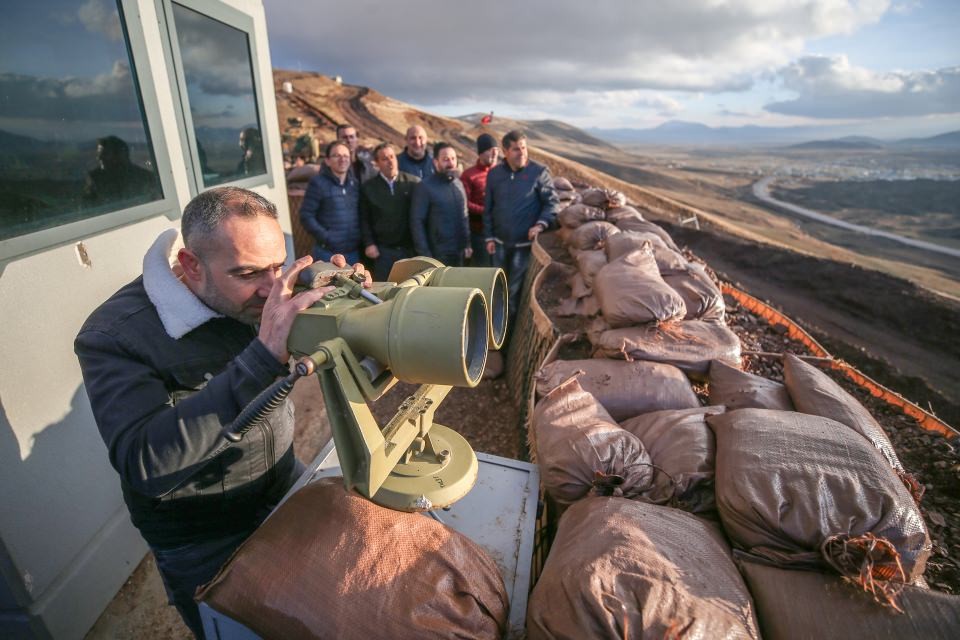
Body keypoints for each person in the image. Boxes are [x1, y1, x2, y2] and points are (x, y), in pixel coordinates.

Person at [74, 186, 367, 637]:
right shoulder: (113, 336)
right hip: (203, 535)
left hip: (280, 481)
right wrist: (262, 357)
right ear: (191, 266)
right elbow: (145, 462)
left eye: (277, 266)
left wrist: (348, 307)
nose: (271, 290)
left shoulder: (257, 291)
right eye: (249, 273)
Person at [483, 130, 558, 328]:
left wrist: (541, 224)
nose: (522, 153)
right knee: (496, 290)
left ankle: (505, 338)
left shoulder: (539, 172)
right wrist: (489, 237)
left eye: (524, 148)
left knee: (513, 294)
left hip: (523, 247)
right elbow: (488, 208)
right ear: (505, 151)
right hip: (499, 245)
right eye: (516, 149)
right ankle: (492, 332)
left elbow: (551, 203)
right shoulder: (495, 174)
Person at [359, 142, 420, 281]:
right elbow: (364, 219)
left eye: (392, 157)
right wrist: (369, 244)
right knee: (386, 291)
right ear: (376, 163)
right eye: (384, 159)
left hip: (409, 250)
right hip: (383, 252)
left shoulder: (413, 183)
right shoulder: (369, 188)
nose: (390, 162)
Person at [300, 140, 362, 264]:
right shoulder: (318, 183)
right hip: (328, 253)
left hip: (353, 253)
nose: (342, 159)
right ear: (327, 161)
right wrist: (326, 237)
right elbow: (306, 215)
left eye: (345, 156)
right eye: (336, 155)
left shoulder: (354, 184)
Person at [410, 142, 471, 266]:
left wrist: (467, 244)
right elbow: (417, 222)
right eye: (445, 159)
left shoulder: (458, 184)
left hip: (459, 252)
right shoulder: (425, 187)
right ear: (436, 162)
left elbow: (464, 216)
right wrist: (426, 256)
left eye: (453, 159)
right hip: (438, 254)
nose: (450, 163)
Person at [82, 135, 160, 206]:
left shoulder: (145, 178)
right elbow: (88, 206)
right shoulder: (95, 179)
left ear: (120, 155)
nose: (99, 158)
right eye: (99, 154)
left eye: (105, 154)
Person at [460, 133, 501, 267]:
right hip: (479, 234)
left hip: (500, 233)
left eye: (497, 151)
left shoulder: (502, 173)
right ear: (481, 153)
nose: (495, 154)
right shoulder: (469, 175)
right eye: (491, 151)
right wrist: (487, 211)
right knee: (483, 270)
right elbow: (465, 203)